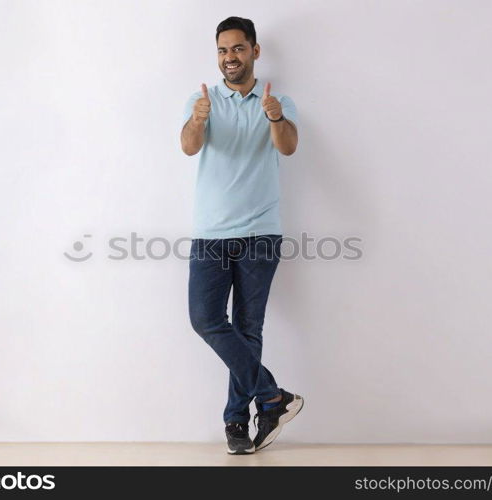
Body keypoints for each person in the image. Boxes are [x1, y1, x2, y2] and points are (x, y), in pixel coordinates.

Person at [180, 16, 304, 455]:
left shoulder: (279, 100)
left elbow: (287, 146)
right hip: (211, 232)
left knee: (249, 328)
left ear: (254, 51)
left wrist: (275, 117)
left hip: (261, 232)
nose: (229, 58)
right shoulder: (204, 101)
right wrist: (197, 119)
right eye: (222, 50)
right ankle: (272, 396)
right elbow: (189, 146)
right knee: (206, 318)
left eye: (237, 48)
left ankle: (237, 423)